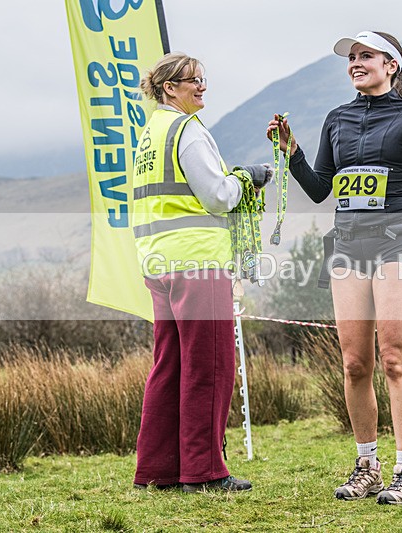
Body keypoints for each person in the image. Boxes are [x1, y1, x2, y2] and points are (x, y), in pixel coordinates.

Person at [267, 30, 402, 505]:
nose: (356, 62)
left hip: (398, 241)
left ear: (391, 65)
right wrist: (292, 151)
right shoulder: (336, 119)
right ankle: (367, 467)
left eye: (366, 56)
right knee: (355, 364)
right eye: (352, 57)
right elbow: (320, 189)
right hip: (347, 246)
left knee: (395, 359)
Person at [132, 52, 270, 493]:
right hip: (197, 263)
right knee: (209, 365)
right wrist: (247, 177)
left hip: (158, 263)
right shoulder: (187, 131)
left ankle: (157, 469)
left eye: (203, 79)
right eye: (195, 80)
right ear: (170, 87)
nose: (203, 87)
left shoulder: (148, 135)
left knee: (168, 365)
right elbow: (216, 196)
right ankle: (204, 471)